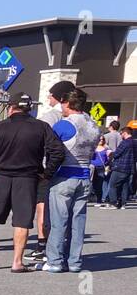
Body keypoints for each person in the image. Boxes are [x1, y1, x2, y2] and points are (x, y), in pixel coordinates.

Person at [0, 93, 66, 272]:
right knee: (22, 221)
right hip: (27, 178)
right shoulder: (41, 127)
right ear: (30, 108)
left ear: (11, 107)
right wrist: (47, 174)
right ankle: (17, 263)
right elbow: (58, 152)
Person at [42, 89, 98, 273]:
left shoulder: (64, 125)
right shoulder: (93, 125)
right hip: (85, 176)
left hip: (64, 176)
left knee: (58, 221)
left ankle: (55, 261)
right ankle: (74, 262)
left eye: (62, 104)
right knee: (78, 222)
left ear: (68, 103)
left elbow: (50, 149)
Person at [29, 80, 76, 261]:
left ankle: (42, 245)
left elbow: (37, 141)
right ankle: (60, 247)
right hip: (72, 170)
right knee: (65, 211)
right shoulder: (82, 118)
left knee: (43, 206)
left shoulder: (51, 117)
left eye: (51, 94)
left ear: (59, 97)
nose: (48, 96)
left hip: (48, 168)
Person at [107, 125, 134, 209]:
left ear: (125, 133)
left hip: (120, 167)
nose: (121, 135)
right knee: (125, 186)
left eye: (121, 133)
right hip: (130, 168)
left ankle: (113, 203)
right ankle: (123, 203)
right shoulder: (135, 142)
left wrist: (110, 153)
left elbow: (117, 154)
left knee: (112, 185)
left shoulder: (124, 142)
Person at [90, 137, 110, 205]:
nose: (101, 140)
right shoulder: (92, 148)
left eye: (103, 139)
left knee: (100, 184)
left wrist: (107, 165)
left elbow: (108, 159)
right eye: (100, 139)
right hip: (92, 168)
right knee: (93, 184)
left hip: (101, 168)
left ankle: (99, 200)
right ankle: (93, 197)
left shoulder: (106, 148)